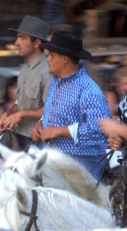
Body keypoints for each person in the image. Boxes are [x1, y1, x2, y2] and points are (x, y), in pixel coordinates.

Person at [32, 31, 110, 179]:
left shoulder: (89, 90)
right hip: (54, 157)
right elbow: (53, 112)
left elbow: (100, 131)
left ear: (64, 59)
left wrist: (59, 131)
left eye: (51, 55)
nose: (47, 59)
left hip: (82, 161)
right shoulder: (55, 82)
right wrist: (41, 123)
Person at [0, 15, 52, 149]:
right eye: (17, 37)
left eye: (22, 38)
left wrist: (20, 114)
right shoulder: (24, 71)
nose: (16, 42)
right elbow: (19, 103)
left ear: (37, 42)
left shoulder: (47, 71)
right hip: (19, 137)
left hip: (38, 143)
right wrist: (7, 114)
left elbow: (51, 110)